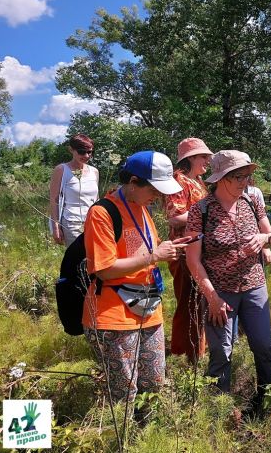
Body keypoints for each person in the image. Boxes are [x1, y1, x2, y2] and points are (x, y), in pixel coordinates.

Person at [82, 151, 188, 410]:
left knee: (153, 384)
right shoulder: (102, 213)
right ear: (132, 182)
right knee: (124, 394)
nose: (159, 197)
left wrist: (168, 247)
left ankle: (148, 438)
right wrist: (155, 256)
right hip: (114, 316)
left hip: (149, 308)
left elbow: (142, 248)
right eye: (154, 189)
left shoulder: (143, 208)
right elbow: (104, 269)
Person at [185, 150, 271, 415]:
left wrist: (263, 240)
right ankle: (220, 410)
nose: (244, 182)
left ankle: (266, 401)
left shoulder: (251, 202)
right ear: (221, 178)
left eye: (247, 176)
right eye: (238, 177)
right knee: (222, 351)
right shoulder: (200, 210)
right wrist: (212, 298)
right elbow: (193, 261)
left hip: (255, 286)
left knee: (263, 346)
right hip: (220, 292)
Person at [164, 138, 214, 363]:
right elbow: (175, 218)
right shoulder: (178, 180)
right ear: (191, 158)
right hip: (184, 252)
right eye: (204, 156)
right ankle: (182, 354)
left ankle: (198, 352)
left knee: (200, 301)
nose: (208, 160)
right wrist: (206, 216)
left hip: (200, 251)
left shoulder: (199, 181)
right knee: (187, 303)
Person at [49, 134, 99, 246]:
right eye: (81, 151)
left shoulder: (94, 171)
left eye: (89, 152)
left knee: (94, 259)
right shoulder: (61, 170)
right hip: (72, 223)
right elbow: (54, 200)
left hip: (93, 222)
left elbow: (96, 199)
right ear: (71, 150)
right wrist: (55, 227)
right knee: (78, 259)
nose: (86, 155)